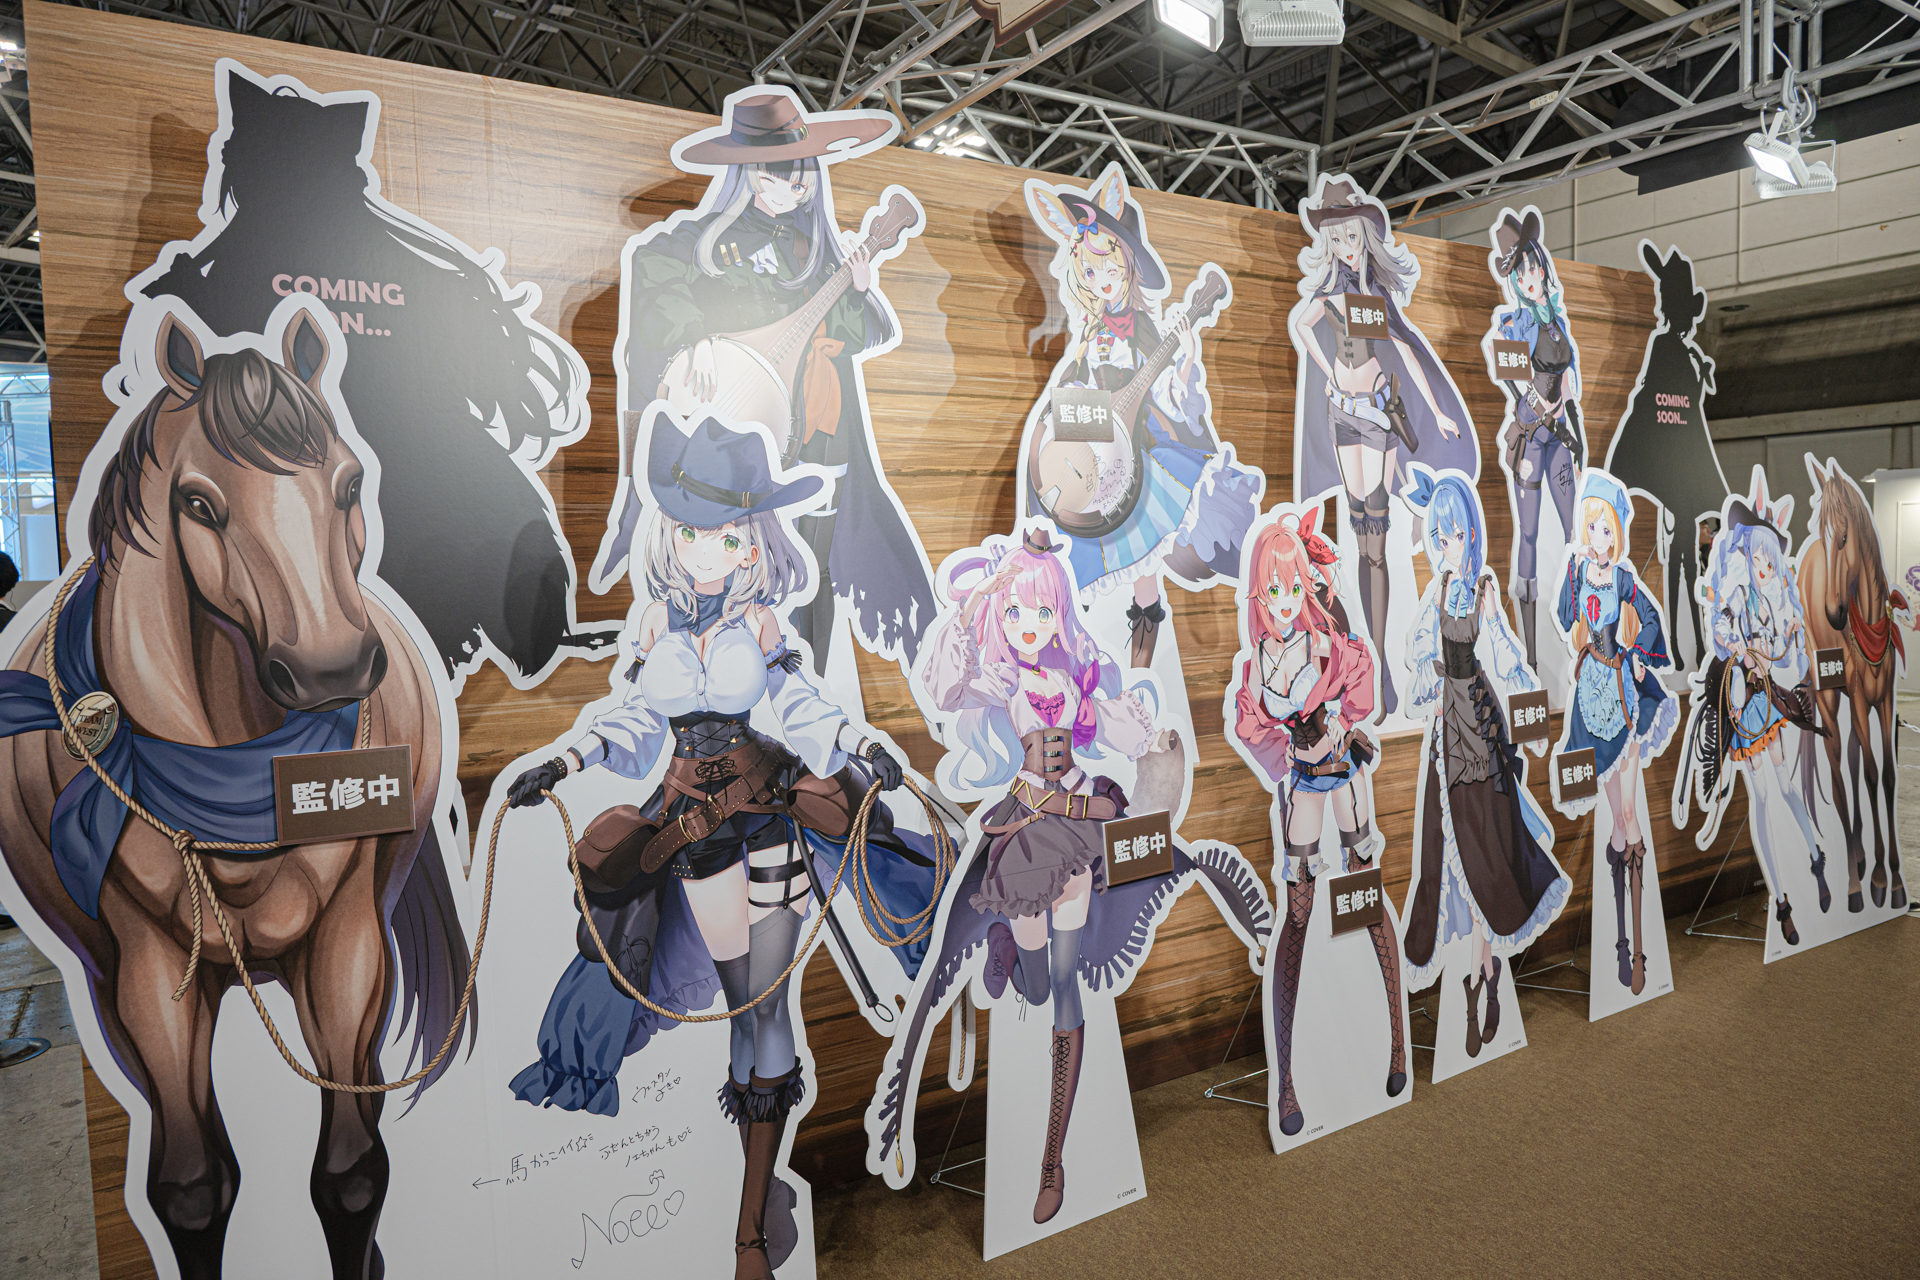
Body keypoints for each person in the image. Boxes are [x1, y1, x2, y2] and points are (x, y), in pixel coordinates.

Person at [504, 414, 935, 1280]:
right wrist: (563, 761)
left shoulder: (763, 624)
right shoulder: (654, 624)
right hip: (692, 836)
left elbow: (803, 707)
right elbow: (632, 722)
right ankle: (759, 1194)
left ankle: (749, 1229)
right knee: (743, 1004)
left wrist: (861, 746)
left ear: (751, 543)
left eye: (727, 535)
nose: (708, 550)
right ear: (672, 534)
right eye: (693, 531)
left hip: (766, 817)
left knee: (762, 1008)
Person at [607, 89, 935, 677]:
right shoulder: (699, 241)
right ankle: (708, 674)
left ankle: (807, 674)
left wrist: (858, 291)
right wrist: (692, 337)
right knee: (719, 553)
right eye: (775, 174)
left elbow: (853, 337)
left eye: (800, 178)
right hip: (726, 429)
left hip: (810, 427)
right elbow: (654, 272)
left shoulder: (815, 252)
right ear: (746, 172)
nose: (789, 189)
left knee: (811, 557)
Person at [925, 527, 1168, 1222]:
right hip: (1030, 825)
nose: (1029, 625)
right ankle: (1008, 945)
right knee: (1034, 982)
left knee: (1064, 984)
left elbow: (1113, 725)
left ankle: (1051, 1161)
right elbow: (947, 689)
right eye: (1016, 612)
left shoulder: (1072, 675)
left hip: (1080, 817)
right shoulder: (1004, 678)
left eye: (1041, 610)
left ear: (1057, 612)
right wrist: (972, 606)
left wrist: (1145, 734)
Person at [1024, 166, 1261, 667]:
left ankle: (1143, 664)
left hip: (1141, 451)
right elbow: (1071, 400)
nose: (1102, 281)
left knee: (1143, 561)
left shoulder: (1145, 328)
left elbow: (1172, 393)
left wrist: (1187, 358)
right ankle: (1059, 645)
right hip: (1094, 450)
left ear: (1127, 266)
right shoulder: (1091, 335)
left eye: (1110, 269)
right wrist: (1071, 419)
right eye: (1091, 273)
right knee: (1064, 532)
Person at [1230, 509, 1404, 1136]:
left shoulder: (1325, 642)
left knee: (1365, 890)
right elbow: (1252, 724)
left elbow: (1361, 680)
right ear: (1260, 592)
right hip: (1303, 784)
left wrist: (1342, 722)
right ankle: (1289, 1082)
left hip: (1344, 776)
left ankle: (1397, 1045)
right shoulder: (1257, 663)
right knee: (1298, 915)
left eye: (1293, 587)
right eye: (1273, 589)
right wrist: (1288, 750)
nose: (1284, 600)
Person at [1401, 467, 1569, 1058]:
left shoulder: (1484, 590)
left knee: (1486, 854)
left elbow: (1505, 655)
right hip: (1446, 738)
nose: (1449, 545)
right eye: (1439, 536)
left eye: (1456, 535)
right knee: (1446, 857)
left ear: (1470, 533)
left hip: (1481, 734)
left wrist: (1532, 719)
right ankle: (1481, 973)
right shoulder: (1434, 597)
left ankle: (1482, 974)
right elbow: (1417, 669)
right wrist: (1431, 684)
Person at [1292, 177, 1476, 718]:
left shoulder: (1374, 298)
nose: (1347, 247)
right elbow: (1303, 327)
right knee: (1360, 537)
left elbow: (1406, 350)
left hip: (1375, 413)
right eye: (1338, 239)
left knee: (1375, 536)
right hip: (1341, 414)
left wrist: (1436, 411)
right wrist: (1328, 371)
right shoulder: (1330, 295)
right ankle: (1373, 668)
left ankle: (1383, 670)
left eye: (1353, 237)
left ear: (1365, 238)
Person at [1553, 472, 1677, 991]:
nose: (1599, 538)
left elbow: (1650, 618)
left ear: (1616, 533)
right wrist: (1571, 566)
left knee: (1628, 812)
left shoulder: (1623, 577)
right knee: (1617, 822)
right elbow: (1566, 615)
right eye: (1592, 528)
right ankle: (1622, 940)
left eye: (1606, 529)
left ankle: (1637, 949)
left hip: (1624, 693)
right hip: (1591, 696)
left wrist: (1640, 655)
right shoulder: (1581, 571)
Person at [1698, 473, 1829, 945]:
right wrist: (1735, 643)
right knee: (1762, 797)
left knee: (1784, 783)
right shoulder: (1737, 592)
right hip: (1741, 700)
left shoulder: (1772, 602)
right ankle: (1780, 899)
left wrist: (1787, 636)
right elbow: (1719, 628)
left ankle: (1815, 853)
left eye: (1768, 561)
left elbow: (1784, 658)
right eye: (1756, 559)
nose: (1762, 567)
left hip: (1766, 698)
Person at [1490, 208, 1586, 670]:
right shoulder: (1514, 325)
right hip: (1531, 437)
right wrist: (1540, 404)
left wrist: (1577, 438)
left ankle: (1580, 630)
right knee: (1527, 535)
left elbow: (1570, 385)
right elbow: (1514, 384)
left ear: (1543, 269)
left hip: (1560, 437)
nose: (1530, 279)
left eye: (1534, 268)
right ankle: (1529, 653)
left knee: (1573, 530)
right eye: (1521, 273)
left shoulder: (1557, 320)